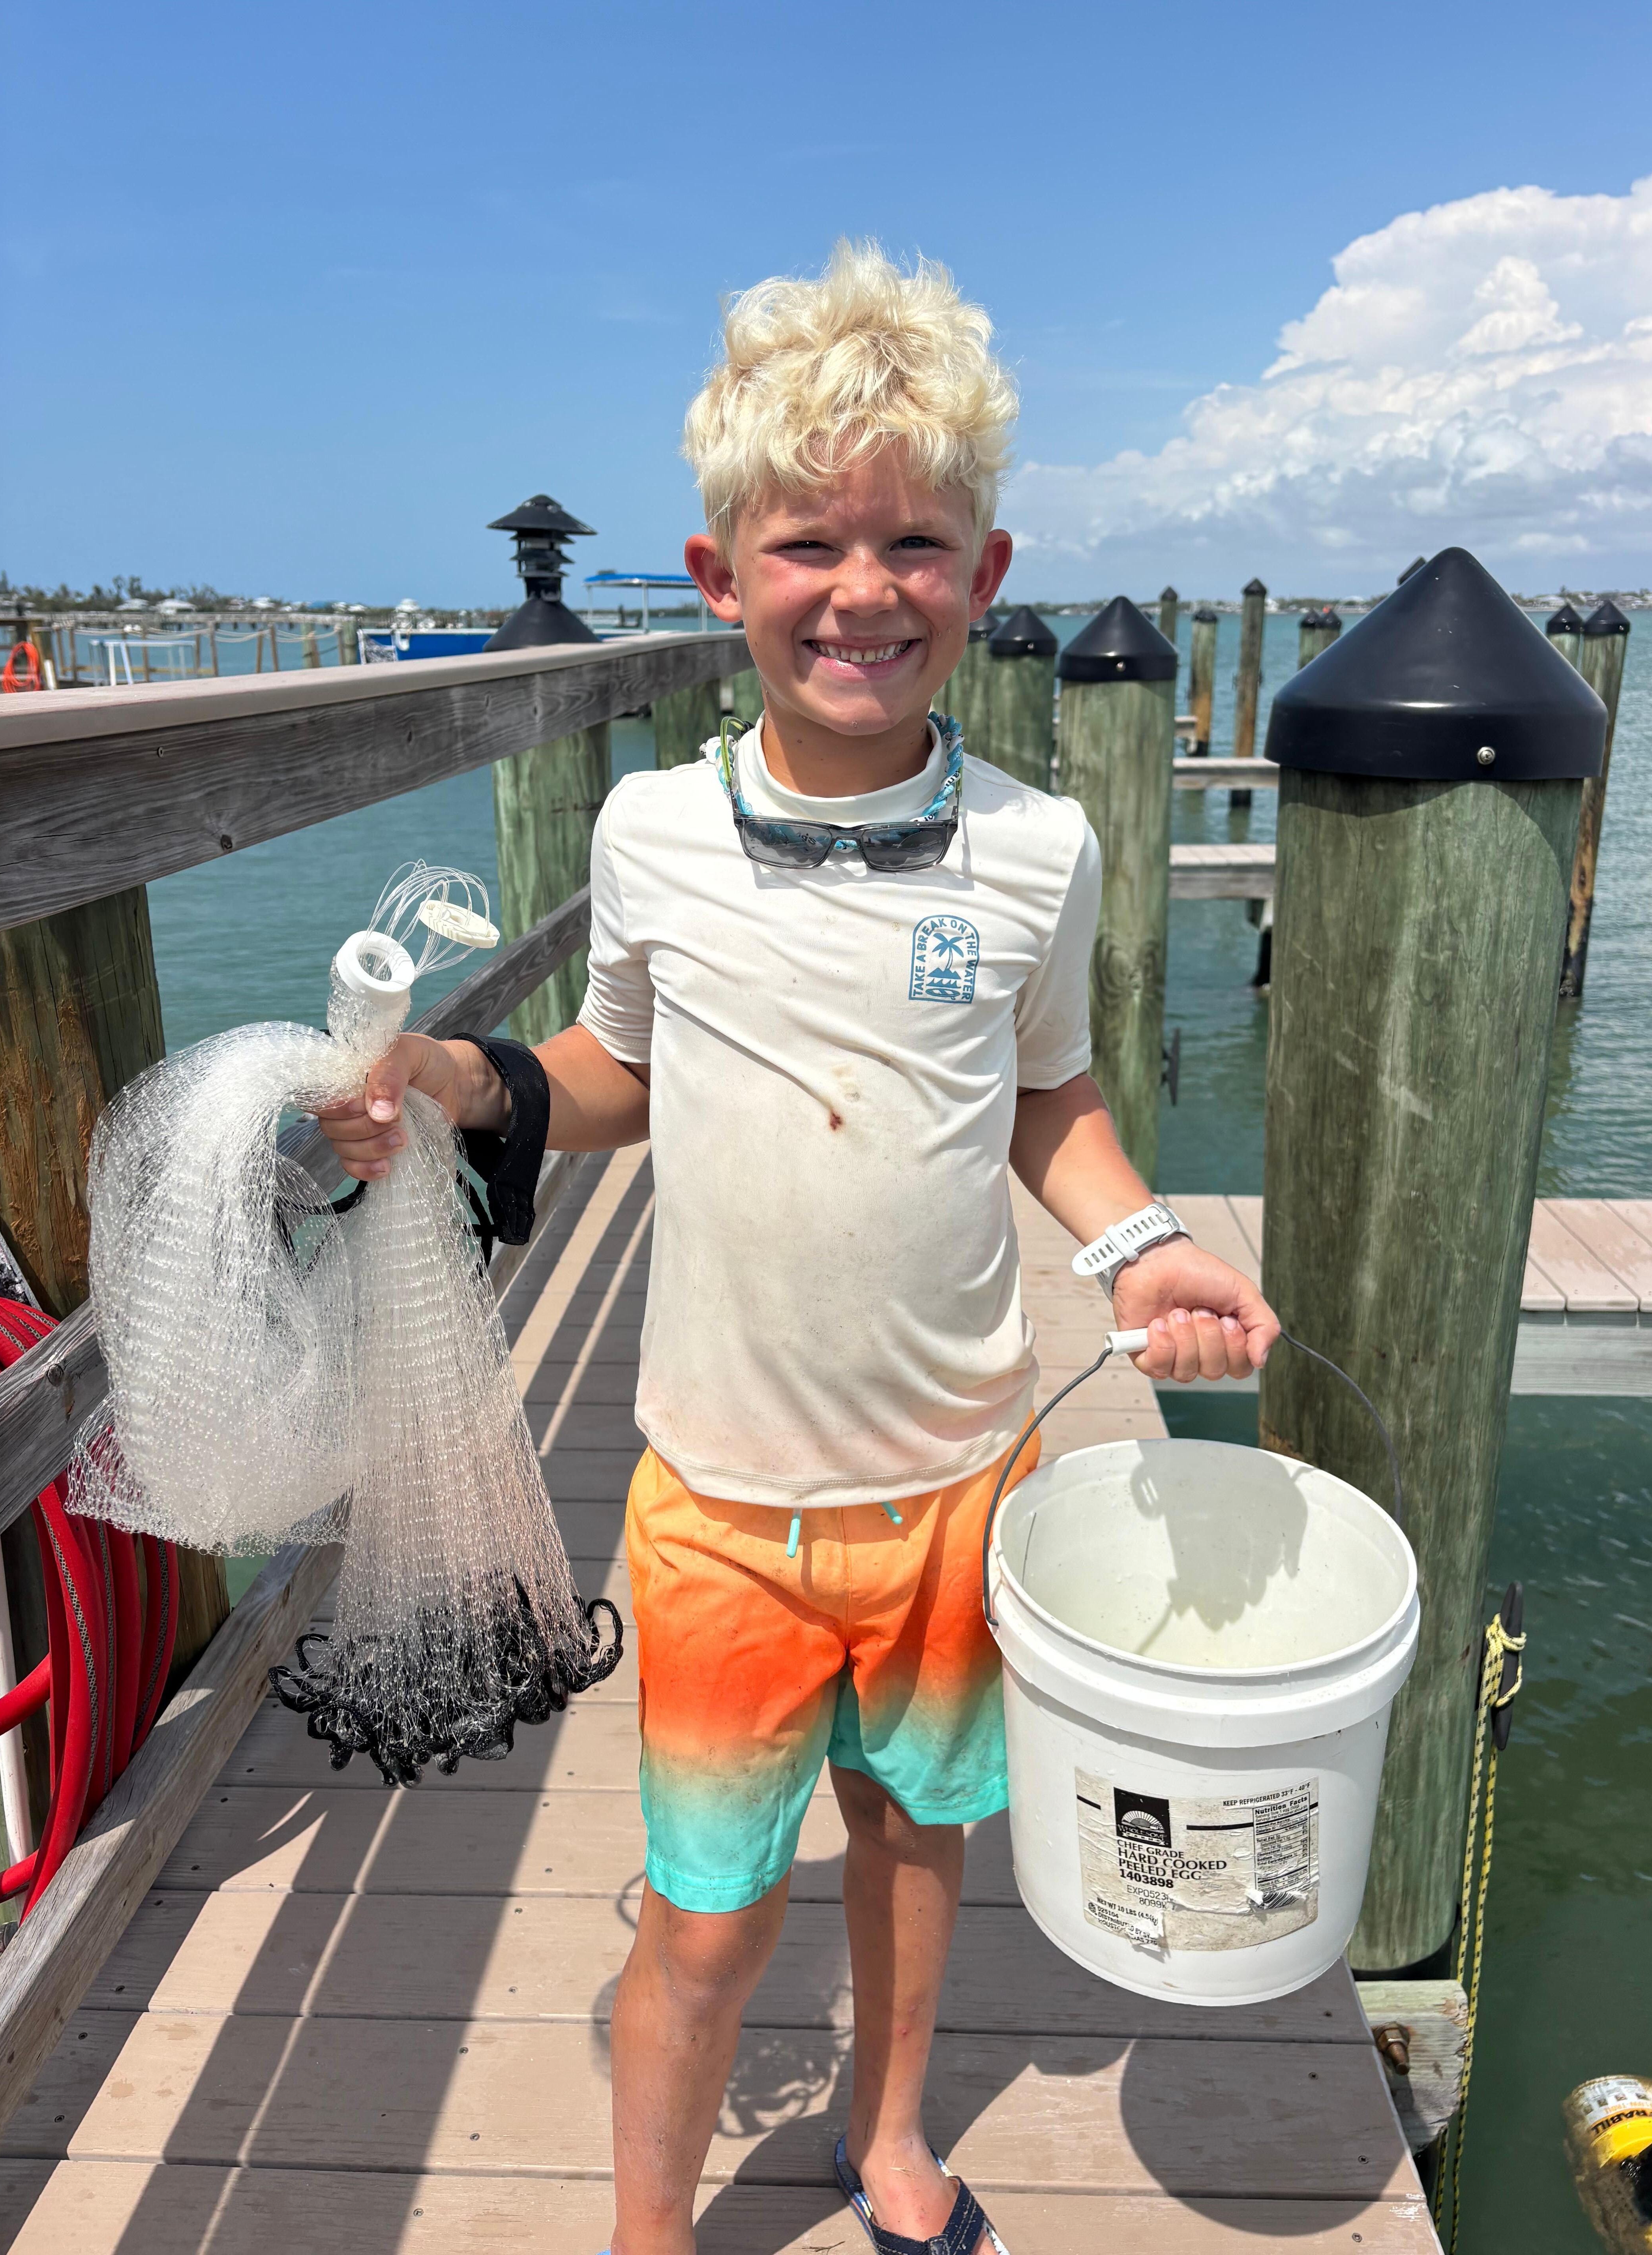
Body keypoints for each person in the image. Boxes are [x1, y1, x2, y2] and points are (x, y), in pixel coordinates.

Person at [318, 240, 1279, 2255]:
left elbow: (1049, 1102)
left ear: (987, 574)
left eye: (916, 543)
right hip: (724, 1503)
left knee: (922, 1842)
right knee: (704, 1909)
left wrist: (1146, 1249)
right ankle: (647, 2230)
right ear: (719, 571)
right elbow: (614, 1072)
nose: (865, 589)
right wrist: (465, 1082)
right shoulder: (653, 834)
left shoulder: (1040, 846)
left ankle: (891, 2126)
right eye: (810, 544)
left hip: (959, 1480)